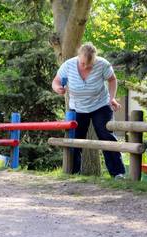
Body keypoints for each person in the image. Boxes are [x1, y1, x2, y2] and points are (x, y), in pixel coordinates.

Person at [52, 42, 125, 179]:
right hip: (77, 107)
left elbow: (112, 80)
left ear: (95, 59)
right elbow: (55, 81)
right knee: (74, 139)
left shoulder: (103, 64)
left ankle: (118, 173)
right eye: (83, 63)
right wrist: (58, 89)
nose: (85, 66)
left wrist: (112, 98)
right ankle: (72, 173)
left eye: (89, 65)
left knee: (106, 135)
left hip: (100, 105)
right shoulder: (68, 66)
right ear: (78, 57)